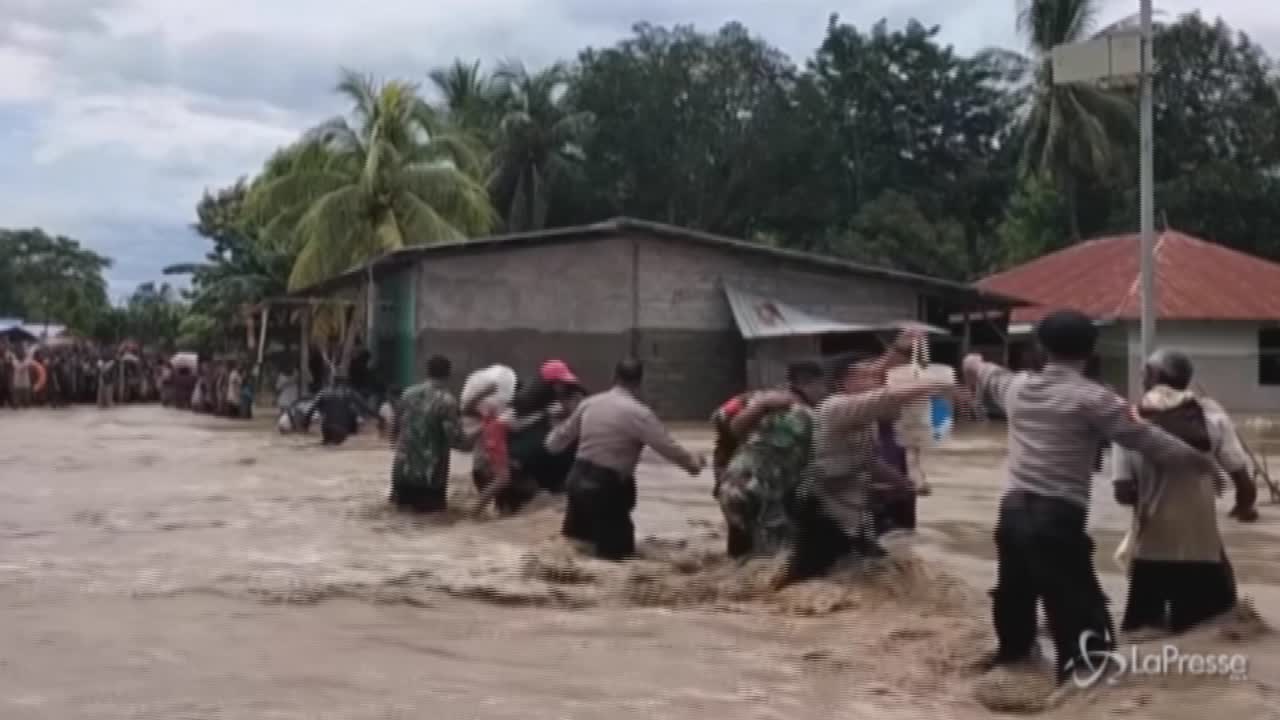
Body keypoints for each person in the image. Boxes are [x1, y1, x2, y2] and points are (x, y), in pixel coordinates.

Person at [965, 310, 1215, 683]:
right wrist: (1204, 464)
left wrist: (973, 362)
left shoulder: (1015, 387)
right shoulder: (1096, 399)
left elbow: (978, 368)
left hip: (1012, 512)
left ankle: (1013, 660)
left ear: (1040, 348)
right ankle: (1087, 676)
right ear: (1091, 350)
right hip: (1057, 516)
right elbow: (1149, 441)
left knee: (1014, 591)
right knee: (1076, 600)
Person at [774, 337, 960, 590]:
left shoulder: (865, 419)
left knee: (875, 571)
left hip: (853, 512)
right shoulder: (836, 407)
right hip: (823, 513)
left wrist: (904, 484)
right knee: (803, 583)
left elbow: (868, 461)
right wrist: (937, 382)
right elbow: (890, 397)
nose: (877, 380)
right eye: (867, 376)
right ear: (843, 381)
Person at [1113, 349, 1246, 634]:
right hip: (1202, 551)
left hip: (1150, 552)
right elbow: (1243, 482)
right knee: (1211, 631)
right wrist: (1244, 506)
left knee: (1143, 635)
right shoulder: (1211, 414)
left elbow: (1123, 493)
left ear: (1154, 378)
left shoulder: (1128, 419)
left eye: (1143, 375)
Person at [547, 359, 705, 560]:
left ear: (613, 377)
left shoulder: (589, 403)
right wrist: (693, 464)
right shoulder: (639, 413)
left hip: (576, 482)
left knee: (576, 547)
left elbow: (556, 441)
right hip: (605, 488)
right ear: (640, 382)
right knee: (619, 557)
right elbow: (667, 446)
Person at [716, 362, 825, 558]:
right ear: (808, 384)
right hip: (761, 493)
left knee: (743, 551)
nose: (824, 391)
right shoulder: (808, 416)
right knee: (774, 556)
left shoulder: (756, 399)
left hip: (732, 485)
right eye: (821, 385)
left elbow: (725, 422)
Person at [389, 355, 465, 512]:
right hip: (430, 476)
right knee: (431, 523)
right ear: (448, 374)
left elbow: (395, 428)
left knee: (401, 519)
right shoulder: (447, 401)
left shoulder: (407, 394)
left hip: (402, 470)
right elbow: (457, 440)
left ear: (427, 372)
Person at [304, 375, 379, 445]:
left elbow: (311, 410)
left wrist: (305, 426)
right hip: (341, 431)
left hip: (327, 430)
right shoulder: (349, 392)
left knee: (327, 445)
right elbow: (366, 408)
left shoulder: (323, 392)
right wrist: (380, 419)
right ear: (345, 383)